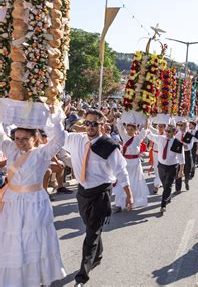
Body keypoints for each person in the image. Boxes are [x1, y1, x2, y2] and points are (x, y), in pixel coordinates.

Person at [63, 109, 133, 285]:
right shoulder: (76, 140)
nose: (90, 127)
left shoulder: (108, 146)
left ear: (102, 126)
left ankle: (82, 276)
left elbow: (121, 171)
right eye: (87, 123)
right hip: (83, 192)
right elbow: (56, 136)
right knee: (91, 228)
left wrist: (129, 195)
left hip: (101, 193)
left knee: (92, 233)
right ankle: (98, 254)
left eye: (94, 123)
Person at [0, 112, 66, 286]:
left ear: (35, 137)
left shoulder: (42, 153)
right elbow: (0, 134)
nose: (20, 141)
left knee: (33, 241)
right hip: (12, 202)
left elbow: (59, 139)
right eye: (17, 138)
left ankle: (36, 279)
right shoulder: (10, 149)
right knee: (13, 241)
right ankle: (16, 279)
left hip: (34, 203)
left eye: (24, 138)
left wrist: (55, 114)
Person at [147, 124, 185, 213]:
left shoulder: (177, 143)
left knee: (168, 186)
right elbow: (150, 135)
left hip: (172, 167)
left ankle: (163, 205)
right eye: (166, 131)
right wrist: (146, 123)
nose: (167, 133)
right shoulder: (161, 138)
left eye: (169, 131)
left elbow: (181, 159)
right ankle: (168, 197)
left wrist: (181, 171)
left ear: (174, 132)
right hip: (161, 166)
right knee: (165, 185)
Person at [114, 121, 149, 211]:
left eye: (131, 129)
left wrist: (146, 118)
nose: (129, 131)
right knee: (122, 182)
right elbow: (119, 125)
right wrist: (124, 117)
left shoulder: (138, 138)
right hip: (125, 163)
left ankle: (132, 202)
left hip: (135, 164)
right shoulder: (124, 136)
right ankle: (119, 204)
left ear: (135, 130)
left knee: (134, 183)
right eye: (128, 129)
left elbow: (145, 129)